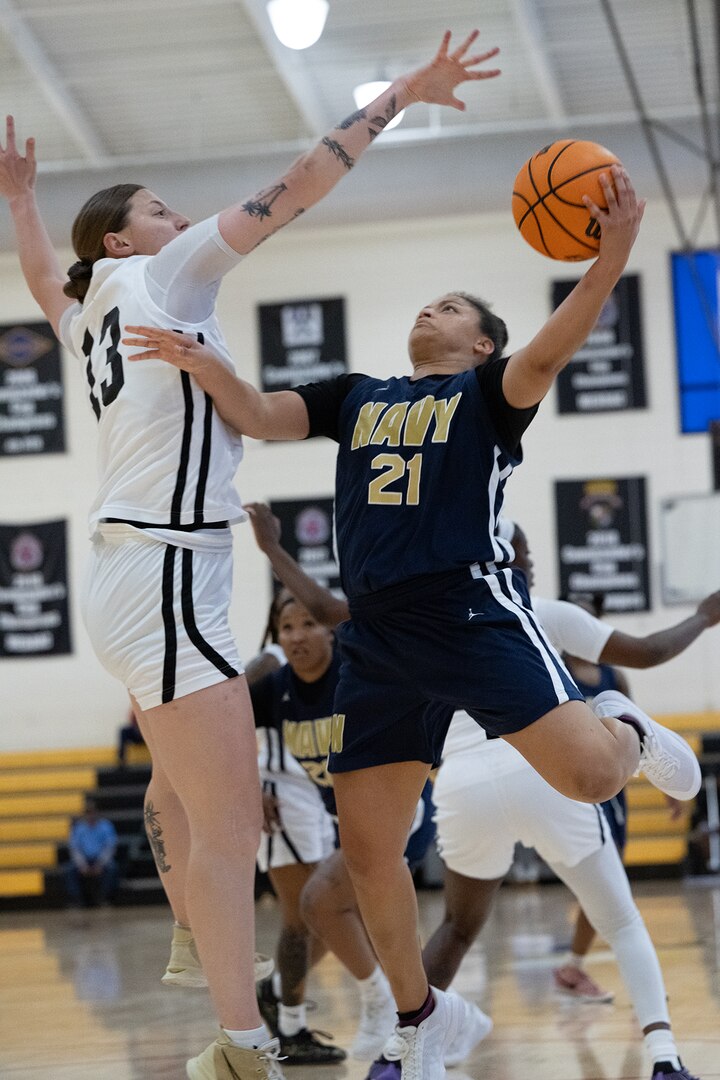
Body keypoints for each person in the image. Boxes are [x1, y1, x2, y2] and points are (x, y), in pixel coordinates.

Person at [121, 161, 702, 1080]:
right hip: (380, 635)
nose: (430, 311)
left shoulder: (489, 397)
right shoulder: (357, 395)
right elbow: (262, 415)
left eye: (451, 308)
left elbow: (550, 352)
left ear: (479, 346)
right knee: (366, 852)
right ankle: (420, 1014)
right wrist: (205, 363)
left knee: (592, 778)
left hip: (469, 610)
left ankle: (625, 723)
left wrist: (613, 255)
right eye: (427, 303)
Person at [0, 32, 502, 1080]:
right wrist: (403, 93)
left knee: (190, 800)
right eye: (161, 211)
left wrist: (20, 207)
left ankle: (194, 919)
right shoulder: (160, 277)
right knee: (236, 830)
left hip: (130, 579)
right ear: (130, 242)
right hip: (171, 568)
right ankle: (237, 1043)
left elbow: (46, 272)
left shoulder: (86, 307)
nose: (184, 221)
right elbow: (300, 185)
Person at [65, 797, 118, 909]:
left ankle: (104, 899)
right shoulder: (79, 828)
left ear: (97, 812)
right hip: (84, 860)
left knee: (112, 868)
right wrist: (82, 865)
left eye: (92, 812)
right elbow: (75, 849)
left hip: (101, 859)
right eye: (88, 812)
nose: (90, 815)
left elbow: (110, 847)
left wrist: (100, 864)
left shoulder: (106, 826)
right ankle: (76, 900)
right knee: (69, 870)